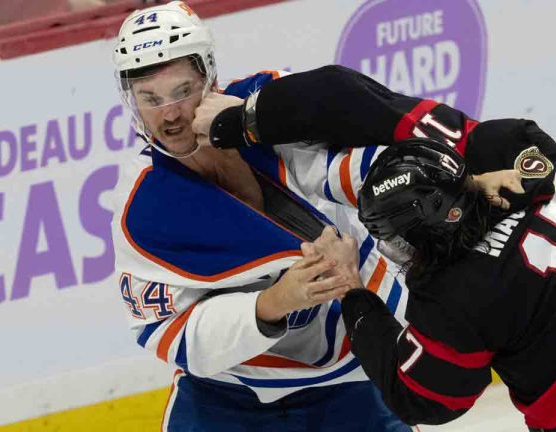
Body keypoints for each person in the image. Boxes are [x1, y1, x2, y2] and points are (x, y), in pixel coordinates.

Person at [192, 65, 556, 431]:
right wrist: (245, 119)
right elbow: (353, 96)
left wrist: (355, 296)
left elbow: (427, 398)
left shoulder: (453, 295)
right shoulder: (523, 161)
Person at [110, 3, 416, 431]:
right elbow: (171, 334)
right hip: (226, 401)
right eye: (150, 99)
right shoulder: (144, 208)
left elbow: (355, 165)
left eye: (181, 90)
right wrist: (275, 302)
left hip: (355, 377)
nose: (170, 115)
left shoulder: (271, 108)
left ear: (209, 79)